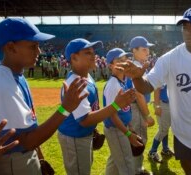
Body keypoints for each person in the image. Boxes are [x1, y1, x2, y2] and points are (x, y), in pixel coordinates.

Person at [117, 7, 191, 175]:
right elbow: (147, 86)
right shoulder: (169, 58)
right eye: (184, 27)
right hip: (184, 130)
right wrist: (137, 77)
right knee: (187, 165)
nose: (188, 32)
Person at [0, 18, 88, 175]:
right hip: (14, 162)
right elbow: (27, 140)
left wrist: (40, 159)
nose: (39, 51)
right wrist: (65, 109)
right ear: (11, 47)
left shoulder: (16, 75)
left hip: (25, 156)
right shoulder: (2, 82)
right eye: (33, 46)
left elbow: (29, 127)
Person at [57, 39, 136, 175]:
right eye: (88, 53)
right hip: (74, 137)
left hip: (82, 134)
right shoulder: (76, 83)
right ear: (74, 58)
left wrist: (93, 129)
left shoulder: (86, 76)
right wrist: (116, 105)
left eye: (93, 52)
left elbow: (89, 111)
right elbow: (85, 119)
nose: (94, 55)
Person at [103, 48, 143, 175]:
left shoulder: (124, 81)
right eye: (120, 60)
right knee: (127, 165)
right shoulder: (113, 85)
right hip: (116, 130)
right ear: (110, 66)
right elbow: (112, 115)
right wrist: (128, 134)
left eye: (126, 59)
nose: (125, 62)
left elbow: (126, 108)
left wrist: (130, 127)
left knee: (115, 162)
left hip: (122, 128)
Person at [127, 36, 155, 175]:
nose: (147, 51)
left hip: (138, 107)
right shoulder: (135, 67)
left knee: (139, 140)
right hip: (136, 108)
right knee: (138, 141)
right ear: (134, 50)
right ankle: (135, 171)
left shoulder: (139, 66)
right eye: (144, 49)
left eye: (148, 48)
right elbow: (138, 95)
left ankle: (137, 169)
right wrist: (147, 115)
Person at [148, 85, 174, 163]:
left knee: (165, 128)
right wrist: (157, 106)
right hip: (162, 104)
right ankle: (152, 151)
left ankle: (165, 149)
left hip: (169, 104)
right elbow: (156, 90)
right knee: (163, 129)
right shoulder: (163, 73)